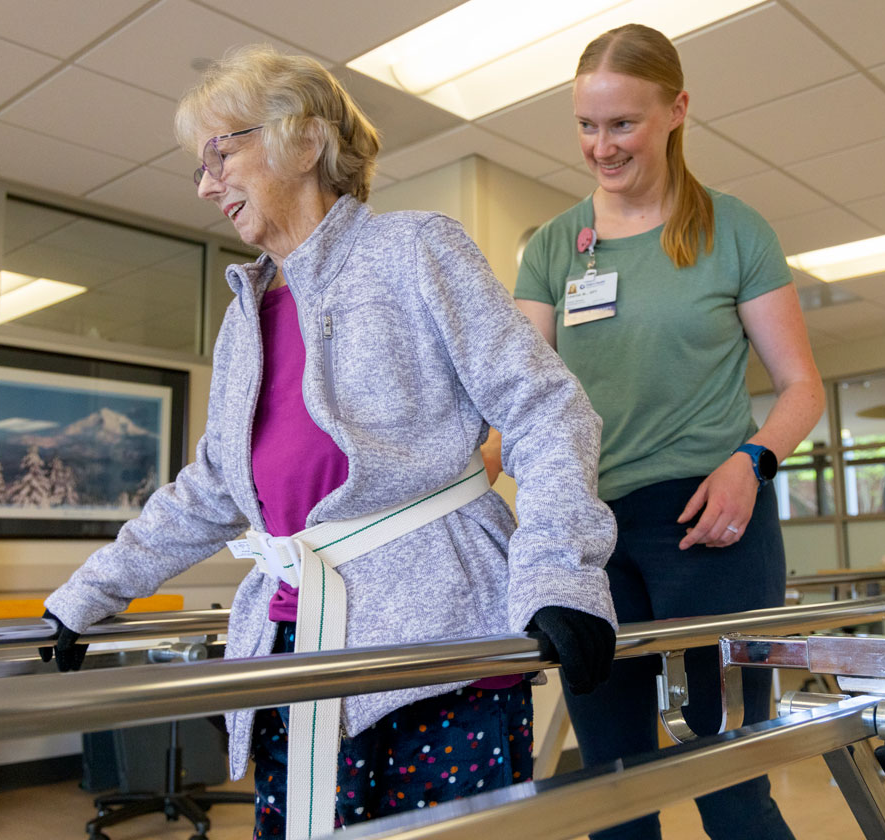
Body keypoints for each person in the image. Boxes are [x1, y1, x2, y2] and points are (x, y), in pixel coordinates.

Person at [40, 44, 618, 840]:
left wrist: (561, 575)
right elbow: (211, 486)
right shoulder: (246, 315)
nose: (207, 183)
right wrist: (86, 596)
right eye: (198, 165)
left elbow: (545, 409)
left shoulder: (415, 251)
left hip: (433, 648)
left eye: (222, 149)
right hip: (292, 651)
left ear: (305, 142)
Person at [512, 24, 825, 840]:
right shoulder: (552, 247)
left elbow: (801, 387)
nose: (601, 146)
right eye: (586, 124)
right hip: (591, 535)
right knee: (612, 794)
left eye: (623, 124)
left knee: (730, 786)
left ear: (677, 109)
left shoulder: (735, 230)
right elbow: (518, 397)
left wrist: (751, 462)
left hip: (711, 524)